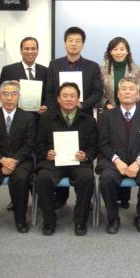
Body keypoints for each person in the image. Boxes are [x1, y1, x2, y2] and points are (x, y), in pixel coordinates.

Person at [45, 27, 103, 207]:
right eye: (70, 40)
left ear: (83, 44)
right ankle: (61, 198)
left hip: (81, 119)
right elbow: (48, 92)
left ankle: (85, 199)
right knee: (60, 156)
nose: (74, 43)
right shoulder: (54, 65)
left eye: (78, 40)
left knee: (81, 157)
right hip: (59, 118)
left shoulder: (92, 66)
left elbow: (97, 92)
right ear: (64, 43)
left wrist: (81, 105)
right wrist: (57, 110)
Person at [35, 82, 99, 236]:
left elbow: (94, 146)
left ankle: (80, 222)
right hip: (53, 162)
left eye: (72, 96)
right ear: (58, 99)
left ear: (78, 99)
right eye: (64, 96)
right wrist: (46, 153)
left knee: (86, 178)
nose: (68, 99)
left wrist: (86, 156)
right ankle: (49, 221)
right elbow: (38, 145)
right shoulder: (47, 118)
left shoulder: (89, 120)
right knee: (42, 178)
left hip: (79, 163)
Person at [96, 77, 140, 234]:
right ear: (118, 94)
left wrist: (137, 163)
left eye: (131, 89)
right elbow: (103, 144)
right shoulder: (107, 116)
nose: (127, 92)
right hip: (115, 160)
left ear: (138, 95)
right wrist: (118, 162)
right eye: (123, 89)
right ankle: (113, 218)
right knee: (106, 179)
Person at [0, 36, 48, 212]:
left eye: (33, 48)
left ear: (37, 51)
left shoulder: (44, 71)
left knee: (38, 163)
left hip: (39, 123)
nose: (30, 51)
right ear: (21, 51)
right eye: (26, 48)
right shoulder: (9, 70)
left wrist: (46, 105)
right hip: (17, 124)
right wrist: (12, 87)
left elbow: (49, 93)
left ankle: (40, 200)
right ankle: (17, 200)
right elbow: (1, 91)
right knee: (18, 162)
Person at [0, 81, 36, 234]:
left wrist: (14, 161)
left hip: (21, 160)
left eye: (13, 94)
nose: (9, 98)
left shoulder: (28, 118)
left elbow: (29, 145)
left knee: (21, 179)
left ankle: (20, 219)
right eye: (5, 94)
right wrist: (2, 160)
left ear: (18, 97)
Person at [99, 37, 140, 209]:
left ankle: (124, 198)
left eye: (122, 49)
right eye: (115, 49)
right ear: (110, 51)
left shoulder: (137, 69)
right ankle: (114, 197)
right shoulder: (102, 70)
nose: (118, 52)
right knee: (115, 147)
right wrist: (107, 105)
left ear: (127, 51)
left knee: (129, 147)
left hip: (130, 114)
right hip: (110, 115)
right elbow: (99, 93)